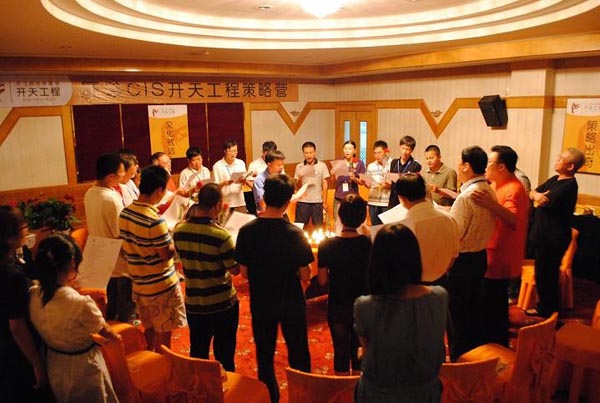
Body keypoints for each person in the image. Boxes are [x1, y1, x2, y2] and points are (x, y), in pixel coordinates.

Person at [236, 174, 313, 402]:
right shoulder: (295, 233)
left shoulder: (247, 230)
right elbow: (306, 274)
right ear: (288, 202)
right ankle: (302, 396)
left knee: (264, 354)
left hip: (261, 300)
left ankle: (270, 397)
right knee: (299, 351)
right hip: (291, 300)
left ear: (265, 197)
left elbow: (243, 273)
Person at [354, 223, 448, 402]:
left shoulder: (365, 306)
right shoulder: (439, 297)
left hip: (379, 394)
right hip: (426, 393)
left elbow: (367, 350)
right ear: (415, 258)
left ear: (376, 262)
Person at [30, 234, 120, 403]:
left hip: (54, 362)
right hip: (84, 368)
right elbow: (107, 332)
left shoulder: (33, 293)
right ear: (73, 262)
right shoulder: (80, 303)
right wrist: (117, 337)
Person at [119, 165, 187, 352]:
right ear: (158, 190)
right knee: (164, 334)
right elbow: (166, 254)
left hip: (139, 282)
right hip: (160, 285)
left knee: (149, 327)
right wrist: (176, 236)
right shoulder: (154, 221)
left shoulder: (125, 213)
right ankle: (163, 363)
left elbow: (124, 247)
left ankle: (149, 356)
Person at [173, 183, 240, 371]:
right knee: (224, 353)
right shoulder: (221, 235)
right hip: (221, 303)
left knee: (198, 350)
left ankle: (200, 385)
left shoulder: (179, 230)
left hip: (194, 301)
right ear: (218, 205)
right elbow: (234, 270)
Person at [471, 145, 529, 346]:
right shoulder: (497, 185)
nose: (486, 166)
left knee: (494, 301)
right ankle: (490, 339)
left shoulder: (514, 189)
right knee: (490, 300)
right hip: (491, 248)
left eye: (489, 162)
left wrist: (491, 204)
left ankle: (496, 344)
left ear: (501, 167)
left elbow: (514, 219)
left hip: (500, 254)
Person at [447, 145, 496, 361]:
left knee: (457, 314)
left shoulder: (466, 196)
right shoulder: (488, 189)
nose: (457, 165)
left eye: (460, 161)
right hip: (480, 256)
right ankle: (474, 355)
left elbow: (454, 235)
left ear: (466, 166)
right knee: (472, 309)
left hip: (463, 261)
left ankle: (460, 360)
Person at [527, 147, 585, 318]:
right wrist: (535, 195)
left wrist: (536, 197)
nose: (557, 159)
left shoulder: (569, 186)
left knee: (547, 276)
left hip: (552, 238)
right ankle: (545, 309)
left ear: (570, 166)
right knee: (542, 274)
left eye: (561, 159)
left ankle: (549, 313)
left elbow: (543, 201)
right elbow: (533, 192)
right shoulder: (555, 179)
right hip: (543, 236)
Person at [0, 206, 49, 402]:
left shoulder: (9, 264)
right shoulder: (12, 276)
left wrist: (34, 254)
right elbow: (17, 327)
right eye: (23, 227)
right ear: (10, 237)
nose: (27, 230)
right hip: (16, 351)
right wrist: (37, 364)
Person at [317, 194, 370, 375]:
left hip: (338, 303)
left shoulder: (326, 245)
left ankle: (341, 386)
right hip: (363, 304)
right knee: (359, 351)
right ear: (363, 217)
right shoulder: (368, 243)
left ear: (340, 216)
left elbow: (322, 280)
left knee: (340, 350)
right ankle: (357, 385)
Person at [84, 153, 136, 323]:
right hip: (117, 256)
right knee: (125, 301)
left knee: (111, 301)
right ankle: (127, 329)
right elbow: (119, 233)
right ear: (110, 177)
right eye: (121, 172)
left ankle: (113, 324)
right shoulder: (110, 199)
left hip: (101, 254)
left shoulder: (90, 193)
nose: (124, 175)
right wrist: (131, 254)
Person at [395, 173, 459, 285]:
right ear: (425, 192)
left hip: (414, 284)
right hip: (443, 280)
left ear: (402, 198)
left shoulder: (404, 226)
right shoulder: (450, 219)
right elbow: (454, 254)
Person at [294, 141, 330, 229]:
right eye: (306, 153)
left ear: (315, 152)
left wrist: (324, 201)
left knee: (318, 227)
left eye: (311, 152)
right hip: (303, 201)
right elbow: (296, 186)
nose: (308, 155)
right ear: (303, 153)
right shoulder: (299, 166)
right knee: (300, 227)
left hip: (317, 201)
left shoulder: (322, 165)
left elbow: (325, 183)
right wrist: (299, 179)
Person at [332, 140, 366, 225]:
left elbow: (362, 182)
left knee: (352, 223)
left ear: (354, 151)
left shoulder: (359, 163)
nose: (347, 151)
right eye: (345, 148)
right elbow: (333, 181)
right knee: (338, 223)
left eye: (350, 149)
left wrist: (354, 179)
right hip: (339, 197)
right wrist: (332, 174)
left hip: (353, 199)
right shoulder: (338, 163)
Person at [212, 140, 249, 213]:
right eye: (231, 151)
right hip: (225, 203)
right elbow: (215, 187)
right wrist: (225, 183)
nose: (233, 154)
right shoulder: (217, 166)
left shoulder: (241, 163)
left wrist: (244, 181)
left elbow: (244, 179)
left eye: (235, 151)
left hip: (239, 201)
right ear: (225, 151)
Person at [362, 140, 391, 226]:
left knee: (387, 228)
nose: (377, 155)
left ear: (385, 151)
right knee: (375, 228)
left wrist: (389, 185)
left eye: (379, 152)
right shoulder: (371, 166)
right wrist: (365, 182)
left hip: (387, 202)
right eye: (375, 153)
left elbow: (396, 182)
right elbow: (368, 185)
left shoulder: (392, 163)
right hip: (373, 201)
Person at [388, 135, 422, 208]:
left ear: (412, 150)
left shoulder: (415, 165)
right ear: (400, 147)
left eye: (407, 149)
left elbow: (416, 185)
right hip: (393, 199)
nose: (404, 151)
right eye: (403, 148)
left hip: (408, 200)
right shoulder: (394, 162)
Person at [253, 150, 286, 214]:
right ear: (269, 164)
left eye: (282, 164)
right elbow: (262, 203)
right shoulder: (259, 179)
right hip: (266, 214)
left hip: (282, 212)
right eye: (278, 165)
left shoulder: (282, 177)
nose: (281, 167)